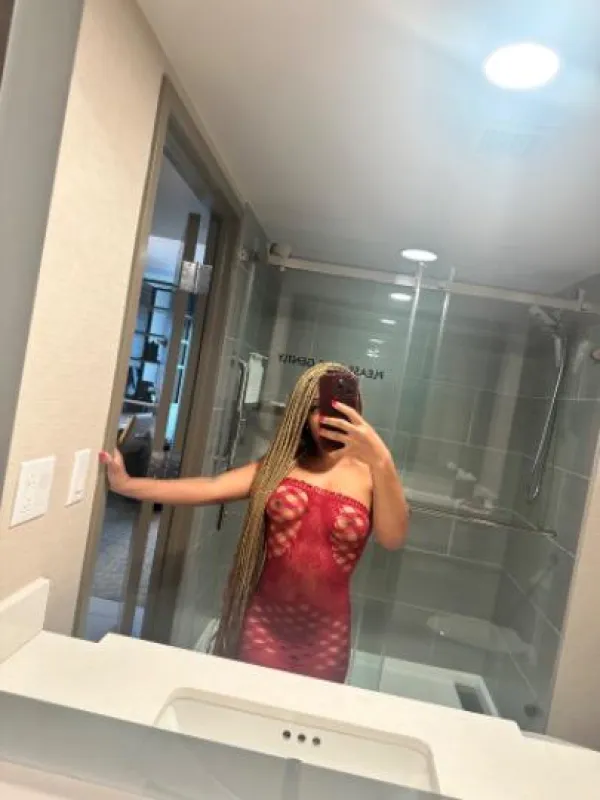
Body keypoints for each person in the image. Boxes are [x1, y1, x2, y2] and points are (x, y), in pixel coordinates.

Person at [100, 362, 410, 683]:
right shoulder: (279, 467)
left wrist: (382, 459)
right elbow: (210, 488)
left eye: (337, 407)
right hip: (265, 627)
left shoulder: (372, 476)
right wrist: (126, 485)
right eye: (314, 408)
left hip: (327, 638)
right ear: (300, 414)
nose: (325, 418)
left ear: (355, 411)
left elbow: (392, 538)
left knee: (306, 713)